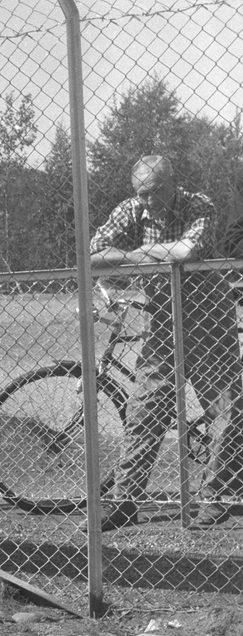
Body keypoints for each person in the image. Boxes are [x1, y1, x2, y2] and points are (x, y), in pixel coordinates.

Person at [88, 154, 243, 530]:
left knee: (226, 409)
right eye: (141, 193)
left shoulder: (198, 204)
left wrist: (130, 259)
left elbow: (188, 251)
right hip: (164, 321)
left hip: (208, 318)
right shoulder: (130, 210)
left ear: (172, 183)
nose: (148, 201)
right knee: (145, 411)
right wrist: (142, 257)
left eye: (156, 192)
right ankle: (124, 503)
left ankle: (217, 498)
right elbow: (93, 256)